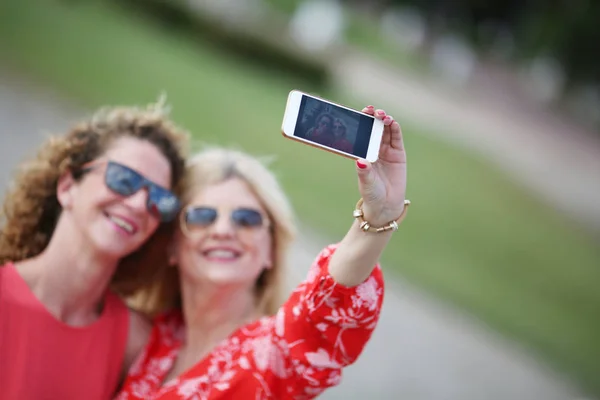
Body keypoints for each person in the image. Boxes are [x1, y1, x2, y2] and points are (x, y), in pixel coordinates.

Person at [117, 105, 409, 399]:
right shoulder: (145, 338)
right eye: (201, 216)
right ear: (172, 246)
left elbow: (322, 314)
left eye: (247, 219)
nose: (222, 230)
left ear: (271, 249)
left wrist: (377, 218)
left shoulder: (274, 355)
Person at [0, 100, 189, 399]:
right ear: (67, 187)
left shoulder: (135, 343)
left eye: (158, 198)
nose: (139, 205)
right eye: (123, 179)